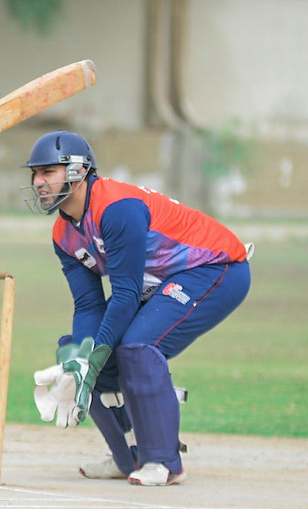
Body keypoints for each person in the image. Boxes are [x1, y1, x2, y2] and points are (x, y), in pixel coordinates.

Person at [23, 131, 251, 486]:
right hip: (158, 280)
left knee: (137, 347)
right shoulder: (62, 234)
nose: (39, 182)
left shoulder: (116, 209)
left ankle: (164, 462)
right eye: (35, 174)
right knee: (80, 351)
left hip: (215, 268)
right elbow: (88, 304)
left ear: (79, 171)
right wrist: (81, 359)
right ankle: (128, 458)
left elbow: (126, 294)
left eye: (48, 172)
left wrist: (91, 358)